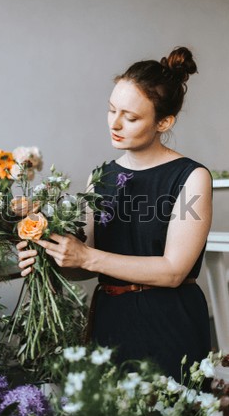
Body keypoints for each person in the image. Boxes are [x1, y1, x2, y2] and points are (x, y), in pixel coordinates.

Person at [16, 46, 212, 382]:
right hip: (111, 321)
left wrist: (86, 257)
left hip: (169, 324)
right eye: (111, 110)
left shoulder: (192, 177)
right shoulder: (101, 176)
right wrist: (48, 256)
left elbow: (173, 272)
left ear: (163, 122)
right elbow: (84, 265)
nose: (116, 124)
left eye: (132, 117)